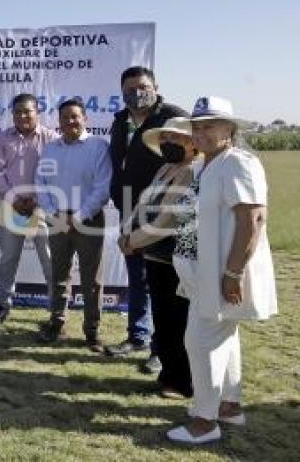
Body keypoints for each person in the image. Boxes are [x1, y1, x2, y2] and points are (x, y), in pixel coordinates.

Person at [166, 97, 277, 445]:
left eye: (209, 126)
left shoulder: (238, 163)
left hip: (220, 272)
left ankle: (204, 421)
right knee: (223, 337)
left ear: (230, 130)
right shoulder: (206, 165)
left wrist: (232, 274)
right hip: (202, 270)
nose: (200, 133)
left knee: (200, 341)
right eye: (196, 127)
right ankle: (229, 405)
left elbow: (253, 219)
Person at [106, 66, 188, 372]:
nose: (136, 93)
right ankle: (137, 336)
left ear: (155, 87)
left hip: (164, 215)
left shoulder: (173, 117)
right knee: (137, 278)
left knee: (162, 284)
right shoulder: (119, 121)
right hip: (130, 211)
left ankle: (161, 350)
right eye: (129, 88)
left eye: (142, 86)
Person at [118, 117, 198, 399]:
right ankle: (168, 377)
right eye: (164, 139)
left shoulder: (193, 172)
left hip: (177, 258)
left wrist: (132, 240)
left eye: (174, 139)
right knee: (163, 320)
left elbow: (169, 220)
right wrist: (126, 231)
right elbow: (142, 203)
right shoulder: (166, 168)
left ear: (191, 142)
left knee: (178, 321)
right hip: (154, 256)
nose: (167, 145)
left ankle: (182, 382)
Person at [35, 98, 111, 349]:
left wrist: (77, 217)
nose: (70, 121)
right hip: (57, 219)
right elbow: (40, 184)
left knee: (91, 280)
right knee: (59, 275)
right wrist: (54, 214)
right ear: (59, 121)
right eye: (65, 117)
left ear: (85, 119)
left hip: (88, 220)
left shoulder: (98, 146)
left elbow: (102, 188)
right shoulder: (51, 149)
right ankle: (56, 323)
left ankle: (92, 331)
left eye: (75, 116)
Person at [0, 93, 57, 323]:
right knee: (8, 260)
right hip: (11, 207)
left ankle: (57, 311)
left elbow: (57, 174)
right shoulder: (2, 139)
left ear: (37, 112)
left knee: (50, 260)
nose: (23, 116)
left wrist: (37, 199)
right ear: (13, 114)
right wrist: (14, 200)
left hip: (43, 208)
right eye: (18, 112)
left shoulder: (52, 139)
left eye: (28, 111)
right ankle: (2, 306)